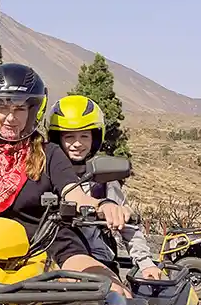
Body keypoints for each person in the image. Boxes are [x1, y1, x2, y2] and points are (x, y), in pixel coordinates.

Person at [0, 63, 129, 293]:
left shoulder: (50, 154)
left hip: (50, 248)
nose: (10, 118)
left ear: (32, 111)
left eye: (19, 109)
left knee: (115, 293)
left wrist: (103, 205)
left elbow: (74, 194)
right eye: (3, 107)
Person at [48, 94, 161, 280]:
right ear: (56, 139)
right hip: (50, 263)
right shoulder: (45, 174)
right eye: (69, 136)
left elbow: (128, 226)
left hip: (98, 263)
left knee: (119, 302)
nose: (77, 143)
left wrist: (146, 263)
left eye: (84, 136)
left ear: (95, 137)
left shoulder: (103, 178)